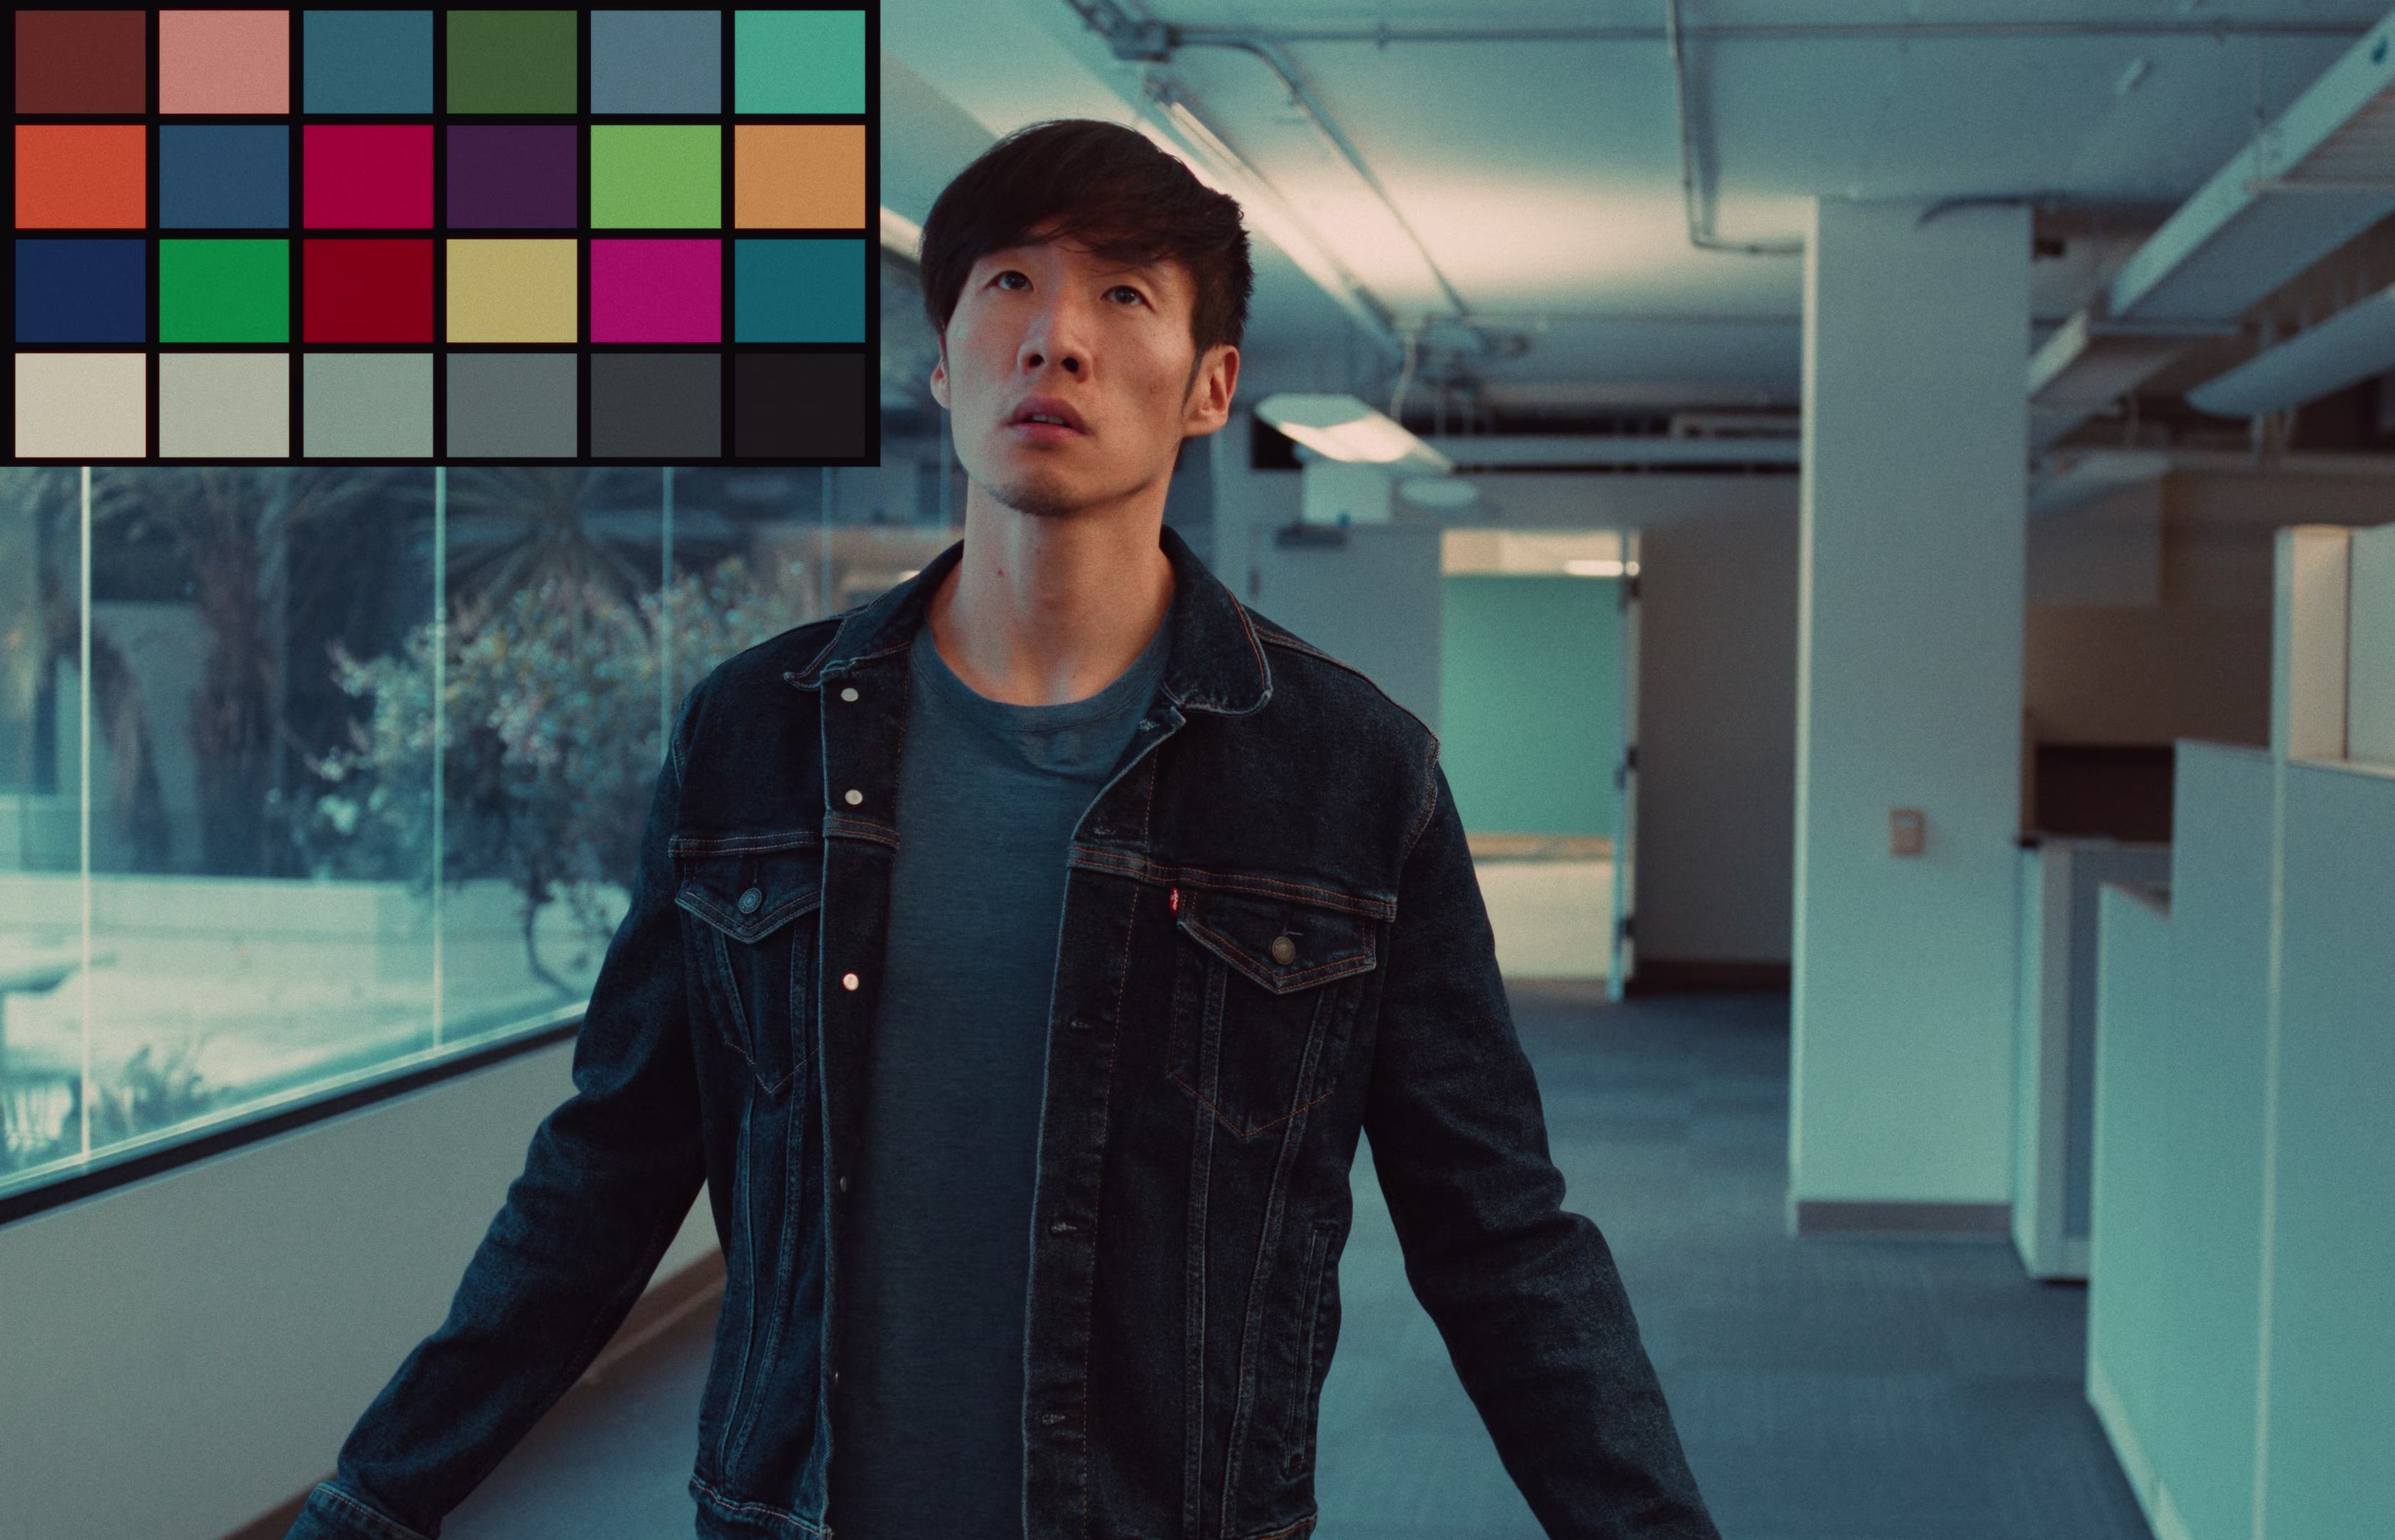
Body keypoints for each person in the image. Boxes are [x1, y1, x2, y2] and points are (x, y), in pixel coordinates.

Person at [287, 119, 1716, 1540]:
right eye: (1010, 285)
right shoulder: (758, 736)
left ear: (1211, 387)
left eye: (1123, 294)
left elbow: (1500, 1242)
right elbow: (605, 1176)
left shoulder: (1350, 775)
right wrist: (371, 1502)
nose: (1056, 339)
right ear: (943, 362)